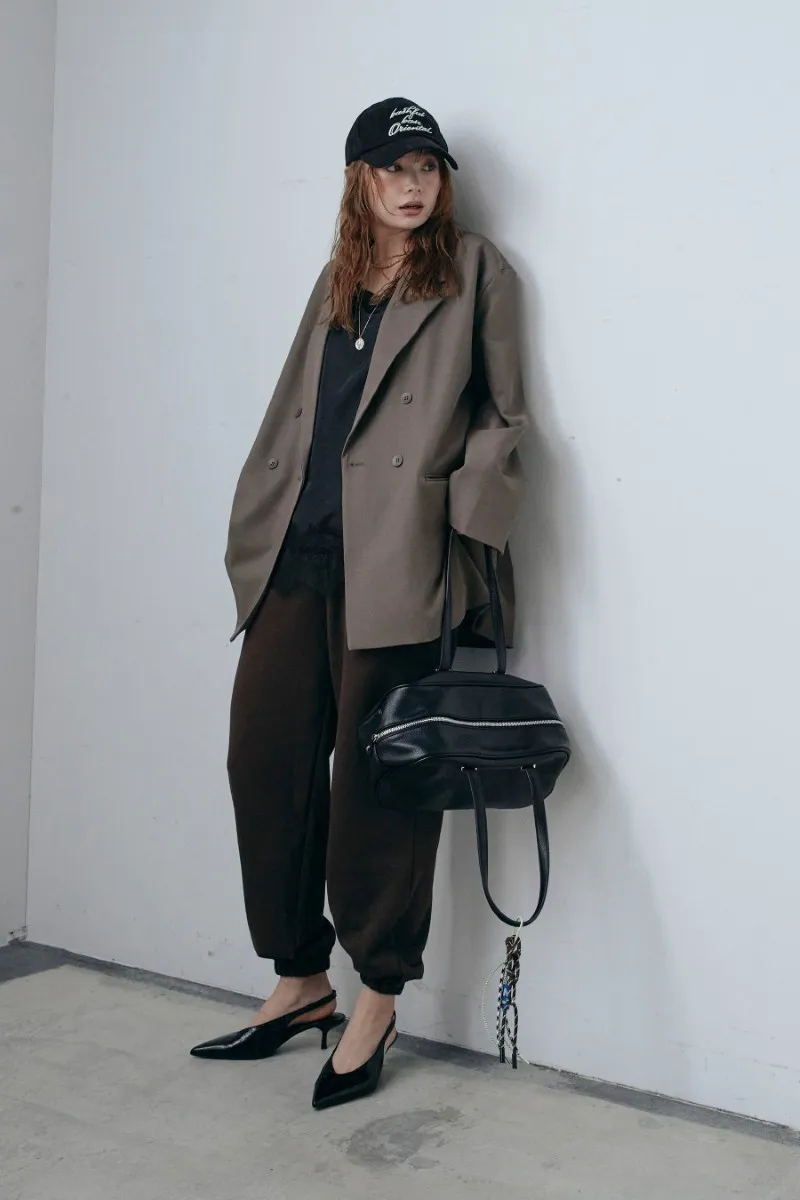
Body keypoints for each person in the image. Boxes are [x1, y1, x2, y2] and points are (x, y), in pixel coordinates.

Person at [190, 97, 529, 1110]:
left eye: (427, 166)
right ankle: (300, 980)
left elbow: (504, 415)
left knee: (379, 789)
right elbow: (297, 405)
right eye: (392, 167)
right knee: (264, 762)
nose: (412, 184)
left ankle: (376, 993)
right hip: (297, 552)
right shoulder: (338, 274)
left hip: (396, 562)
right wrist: (256, 510)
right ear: (360, 179)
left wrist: (460, 530)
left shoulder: (476, 271)